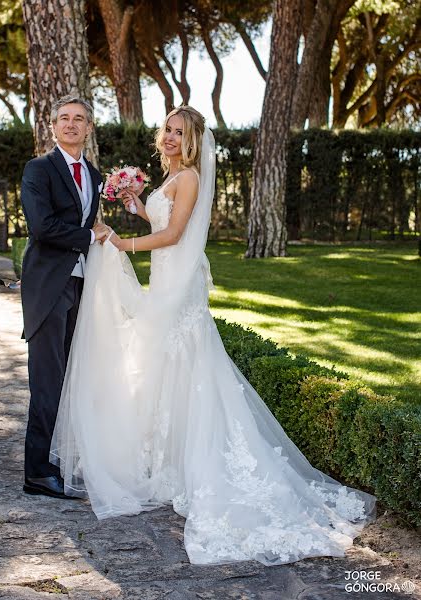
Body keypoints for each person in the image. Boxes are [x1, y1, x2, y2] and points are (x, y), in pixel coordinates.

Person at [50, 106, 376, 565]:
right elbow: (162, 224)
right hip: (167, 281)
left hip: (177, 288)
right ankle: (169, 461)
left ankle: (195, 468)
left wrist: (124, 243)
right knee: (167, 368)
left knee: (185, 365)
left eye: (178, 132)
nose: (168, 137)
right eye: (166, 129)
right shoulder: (172, 179)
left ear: (193, 141)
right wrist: (137, 206)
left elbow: (174, 235)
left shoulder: (189, 180)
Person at [20, 95, 110, 500]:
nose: (71, 124)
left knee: (72, 378)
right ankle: (37, 472)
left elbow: (87, 222)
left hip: (81, 285)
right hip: (49, 288)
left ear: (89, 128)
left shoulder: (93, 173)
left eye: (79, 119)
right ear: (52, 126)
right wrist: (90, 236)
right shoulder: (38, 169)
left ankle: (58, 459)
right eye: (64, 119)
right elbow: (42, 226)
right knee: (46, 380)